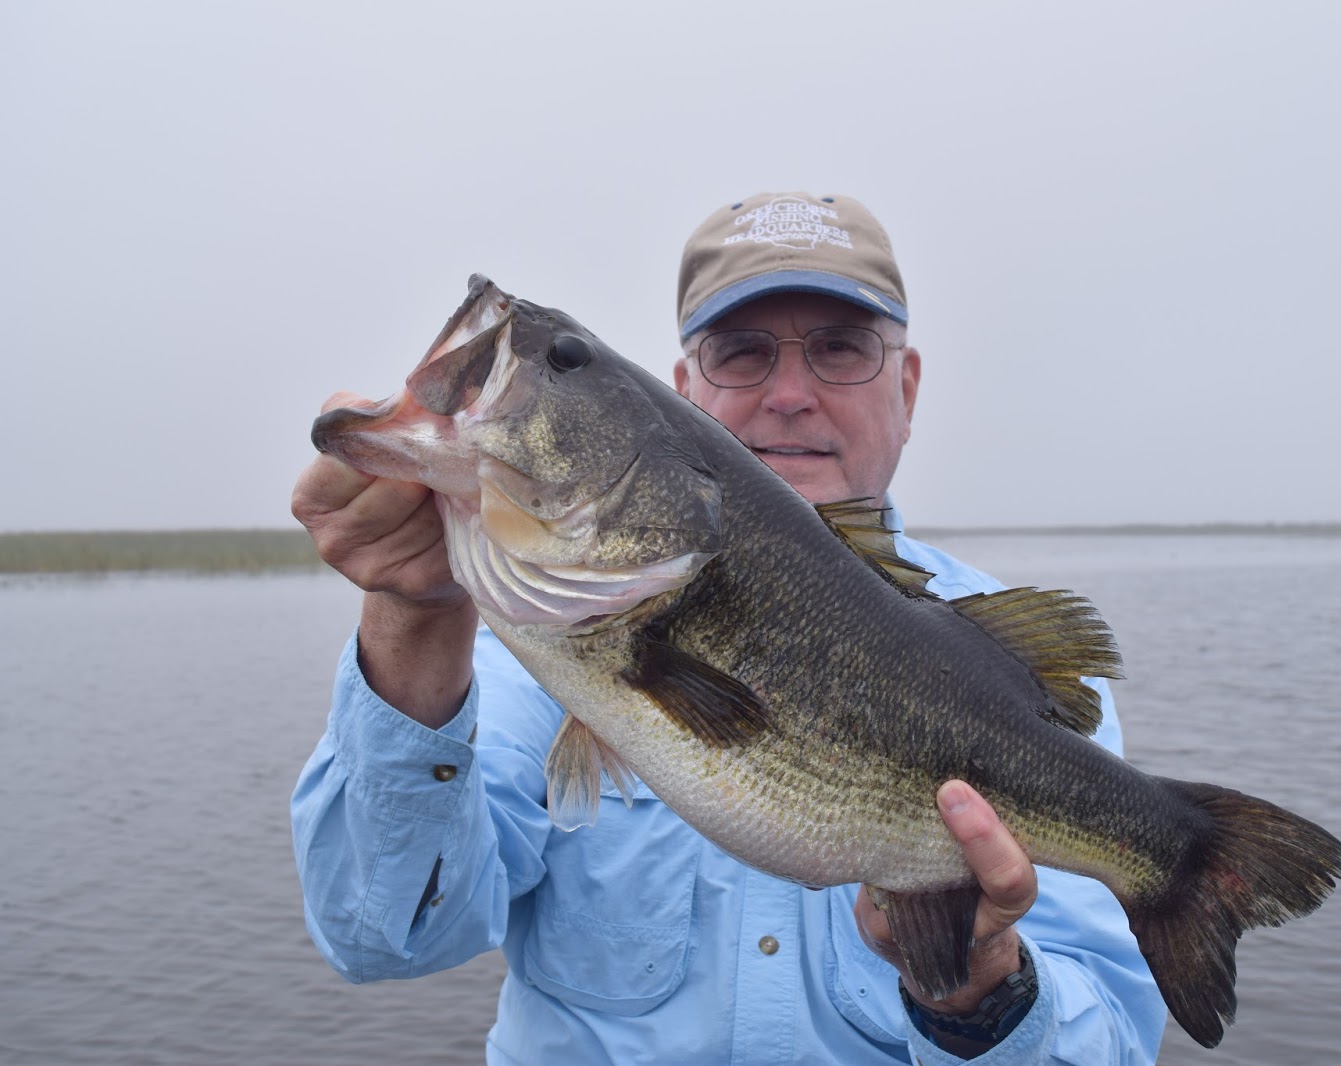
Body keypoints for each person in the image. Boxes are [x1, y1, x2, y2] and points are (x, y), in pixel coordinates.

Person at [290, 192, 1167, 1064]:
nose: (790, 394)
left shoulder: (1002, 671)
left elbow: (1116, 1045)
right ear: (684, 395)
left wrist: (983, 993)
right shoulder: (522, 644)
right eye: (742, 354)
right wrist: (413, 616)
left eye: (841, 351)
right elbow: (383, 937)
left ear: (906, 388)